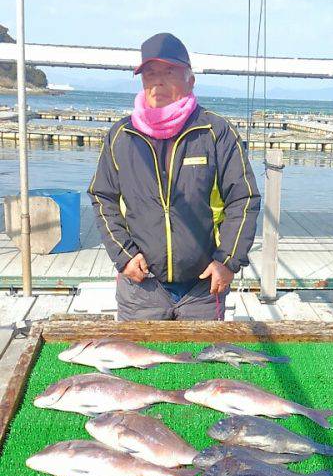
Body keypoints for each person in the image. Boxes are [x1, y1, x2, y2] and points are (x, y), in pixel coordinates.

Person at [88, 32, 261, 321]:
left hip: (203, 285)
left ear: (190, 80)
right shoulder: (121, 135)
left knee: (204, 352)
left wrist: (228, 261)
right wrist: (124, 255)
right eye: (150, 74)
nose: (158, 82)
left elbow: (243, 199)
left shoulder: (216, 132)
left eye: (169, 72)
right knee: (134, 352)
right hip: (141, 286)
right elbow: (102, 197)